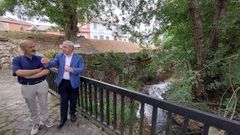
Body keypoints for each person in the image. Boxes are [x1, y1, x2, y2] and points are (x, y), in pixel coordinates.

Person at [12, 40, 53, 135]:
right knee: (31, 106)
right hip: (27, 87)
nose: (33, 48)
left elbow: (46, 71)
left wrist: (30, 75)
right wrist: (38, 70)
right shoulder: (17, 60)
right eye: (30, 47)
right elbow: (19, 72)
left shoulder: (40, 58)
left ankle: (45, 119)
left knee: (43, 104)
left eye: (34, 46)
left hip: (42, 84)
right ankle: (35, 123)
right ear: (23, 49)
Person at [41, 40, 84, 129]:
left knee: (73, 100)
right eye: (62, 47)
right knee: (63, 101)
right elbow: (52, 63)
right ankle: (63, 119)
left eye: (65, 47)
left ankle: (72, 114)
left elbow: (82, 68)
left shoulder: (79, 57)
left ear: (71, 48)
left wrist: (72, 70)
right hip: (62, 82)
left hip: (73, 82)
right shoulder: (59, 56)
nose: (62, 48)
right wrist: (46, 62)